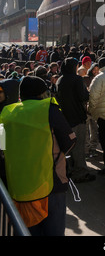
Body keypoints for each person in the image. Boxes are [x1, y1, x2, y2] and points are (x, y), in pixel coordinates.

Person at [0, 76, 76, 236]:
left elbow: (1, 148)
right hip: (50, 184)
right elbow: (70, 142)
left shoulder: (6, 114)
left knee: (28, 231)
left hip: (19, 187)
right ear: (42, 94)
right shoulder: (49, 109)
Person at [56, 57, 95, 183]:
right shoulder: (76, 79)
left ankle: (70, 169)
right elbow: (83, 96)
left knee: (69, 146)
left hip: (65, 119)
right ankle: (81, 173)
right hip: (77, 117)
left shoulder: (60, 80)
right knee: (79, 146)